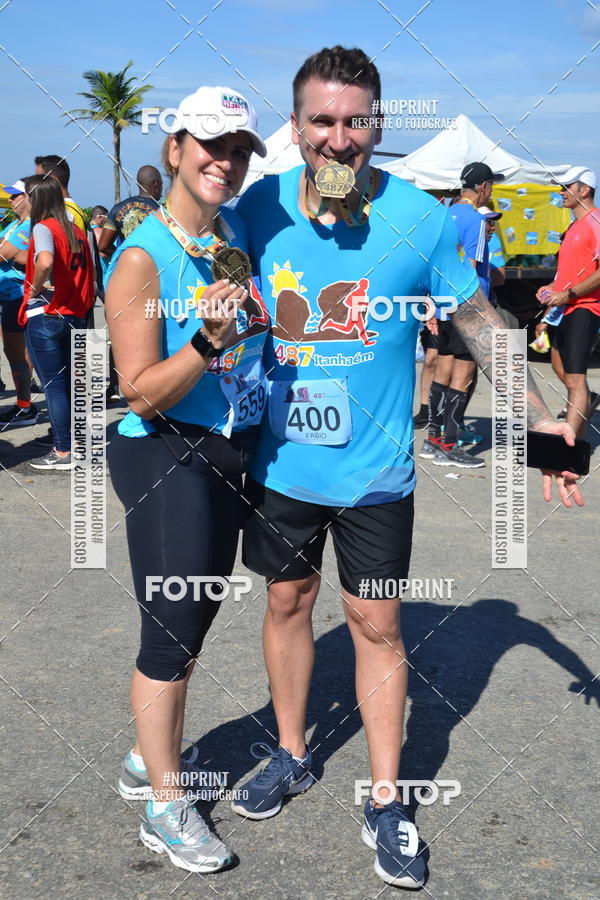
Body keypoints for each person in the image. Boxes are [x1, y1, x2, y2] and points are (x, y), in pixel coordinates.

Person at [230, 46, 583, 890]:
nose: (339, 138)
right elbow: (198, 267)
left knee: (377, 625)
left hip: (378, 473)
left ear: (378, 128)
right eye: (322, 120)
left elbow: (482, 322)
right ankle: (290, 752)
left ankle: (387, 800)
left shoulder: (420, 219)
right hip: (281, 463)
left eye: (356, 122)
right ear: (295, 128)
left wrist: (546, 423)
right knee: (285, 601)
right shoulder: (257, 208)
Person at [105, 85, 268, 874]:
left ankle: (149, 754)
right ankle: (164, 806)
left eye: (239, 149)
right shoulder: (142, 255)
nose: (226, 161)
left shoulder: (232, 232)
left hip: (226, 446)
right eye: (211, 144)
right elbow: (136, 388)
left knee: (196, 620)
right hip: (163, 448)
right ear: (173, 148)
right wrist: (208, 339)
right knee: (170, 631)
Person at [17, 175, 94, 470]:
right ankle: (75, 444)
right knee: (71, 384)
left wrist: (36, 286)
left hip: (47, 314)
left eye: (24, 195)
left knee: (55, 386)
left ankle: (63, 450)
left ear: (36, 198)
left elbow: (46, 261)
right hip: (74, 314)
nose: (21, 201)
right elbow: (92, 279)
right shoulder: (76, 230)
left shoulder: (44, 227)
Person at [536, 167, 600, 436]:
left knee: (575, 379)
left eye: (566, 187)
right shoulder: (574, 225)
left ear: (584, 190)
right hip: (564, 308)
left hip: (584, 308)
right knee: (559, 366)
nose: (560, 192)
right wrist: (550, 291)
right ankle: (587, 403)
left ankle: (570, 446)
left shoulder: (596, 221)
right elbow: (568, 274)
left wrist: (570, 294)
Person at [0, 178, 36, 426]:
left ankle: (25, 406)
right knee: (13, 353)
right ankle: (24, 405)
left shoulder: (28, 226)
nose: (10, 200)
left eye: (15, 196)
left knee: (17, 354)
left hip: (16, 296)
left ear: (27, 198)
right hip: (8, 295)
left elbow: (3, 253)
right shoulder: (15, 224)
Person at [98, 165, 163, 254]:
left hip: (126, 265)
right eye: (161, 184)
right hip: (154, 265)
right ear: (156, 184)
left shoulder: (117, 209)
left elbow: (102, 246)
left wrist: (121, 257)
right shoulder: (162, 211)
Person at [34, 155, 87, 231]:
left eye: (39, 179)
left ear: (53, 180)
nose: (35, 184)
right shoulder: (74, 209)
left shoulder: (63, 212)